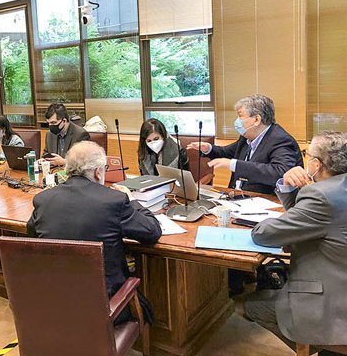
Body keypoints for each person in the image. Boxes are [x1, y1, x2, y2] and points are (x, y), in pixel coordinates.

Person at [27, 141, 162, 324]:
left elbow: (32, 232)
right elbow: (152, 231)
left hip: (57, 300)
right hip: (107, 306)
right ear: (98, 172)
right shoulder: (114, 201)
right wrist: (132, 200)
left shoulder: (43, 199)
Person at [244, 132, 347, 356]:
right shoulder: (338, 188)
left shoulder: (321, 195)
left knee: (252, 307)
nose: (305, 159)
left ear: (316, 164)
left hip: (333, 300)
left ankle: (315, 344)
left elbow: (264, 234)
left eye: (306, 154)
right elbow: (306, 220)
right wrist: (286, 184)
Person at [187, 94, 302, 194]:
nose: (237, 121)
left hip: (267, 203)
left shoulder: (280, 140)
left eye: (240, 116)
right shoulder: (247, 137)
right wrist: (208, 148)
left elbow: (280, 173)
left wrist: (234, 165)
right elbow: (226, 153)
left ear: (257, 119)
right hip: (237, 198)